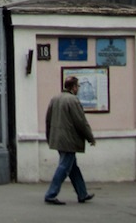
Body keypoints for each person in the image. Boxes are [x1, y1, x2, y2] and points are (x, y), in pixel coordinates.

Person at [44, 75, 96, 205]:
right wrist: (90, 137)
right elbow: (81, 122)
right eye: (77, 86)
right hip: (69, 140)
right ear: (73, 87)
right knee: (64, 167)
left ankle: (82, 193)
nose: (78, 88)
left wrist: (49, 137)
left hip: (58, 139)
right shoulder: (73, 101)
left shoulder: (55, 99)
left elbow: (48, 120)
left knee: (73, 167)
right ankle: (51, 194)